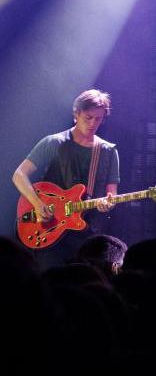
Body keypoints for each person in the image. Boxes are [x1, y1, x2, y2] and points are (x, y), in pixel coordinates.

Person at [12, 89, 119, 269]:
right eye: (88, 117)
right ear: (76, 114)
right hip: (50, 229)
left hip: (88, 235)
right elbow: (19, 175)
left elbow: (112, 193)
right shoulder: (53, 142)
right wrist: (38, 204)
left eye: (98, 119)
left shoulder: (109, 151)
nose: (93, 123)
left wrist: (108, 202)